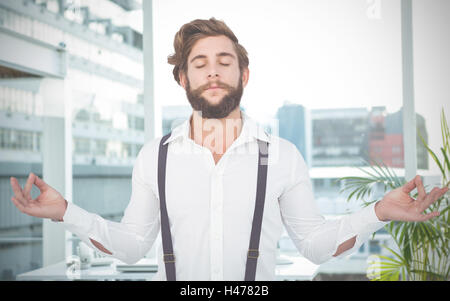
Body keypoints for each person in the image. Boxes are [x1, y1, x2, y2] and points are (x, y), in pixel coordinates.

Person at [9, 18, 448, 281]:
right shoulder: (154, 157)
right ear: (183, 79)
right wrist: (65, 210)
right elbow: (131, 247)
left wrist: (378, 213)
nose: (213, 73)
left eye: (225, 62)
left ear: (244, 76)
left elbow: (315, 246)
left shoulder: (282, 155)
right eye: (200, 64)